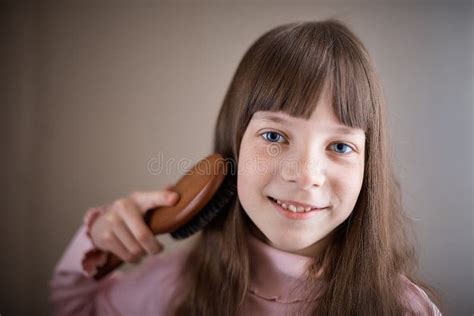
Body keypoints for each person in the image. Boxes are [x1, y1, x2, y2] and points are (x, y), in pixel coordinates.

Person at [49, 19, 443, 315]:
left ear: (368, 169)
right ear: (232, 149)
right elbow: (75, 307)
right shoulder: (176, 286)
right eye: (274, 136)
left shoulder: (402, 308)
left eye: (340, 145)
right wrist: (98, 241)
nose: (305, 174)